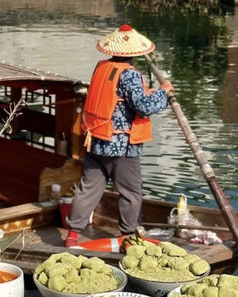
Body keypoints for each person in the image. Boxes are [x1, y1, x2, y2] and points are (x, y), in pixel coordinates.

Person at [64, 24, 174, 247]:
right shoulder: (130, 74)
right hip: (122, 146)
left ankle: (72, 235)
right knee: (131, 192)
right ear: (134, 54)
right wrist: (164, 93)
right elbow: (143, 106)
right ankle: (128, 237)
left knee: (88, 189)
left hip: (97, 140)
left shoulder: (102, 67)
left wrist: (151, 92)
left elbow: (118, 100)